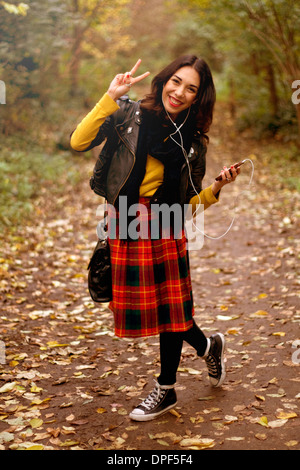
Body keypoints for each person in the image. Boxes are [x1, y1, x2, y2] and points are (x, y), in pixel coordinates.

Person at [70, 55, 241, 422]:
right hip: (125, 222)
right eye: (176, 82)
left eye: (191, 88)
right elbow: (77, 141)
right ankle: (208, 346)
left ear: (199, 98)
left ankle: (166, 389)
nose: (179, 92)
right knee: (165, 312)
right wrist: (110, 96)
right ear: (164, 80)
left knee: (171, 311)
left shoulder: (192, 142)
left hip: (164, 223)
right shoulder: (127, 115)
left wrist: (215, 189)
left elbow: (185, 206)